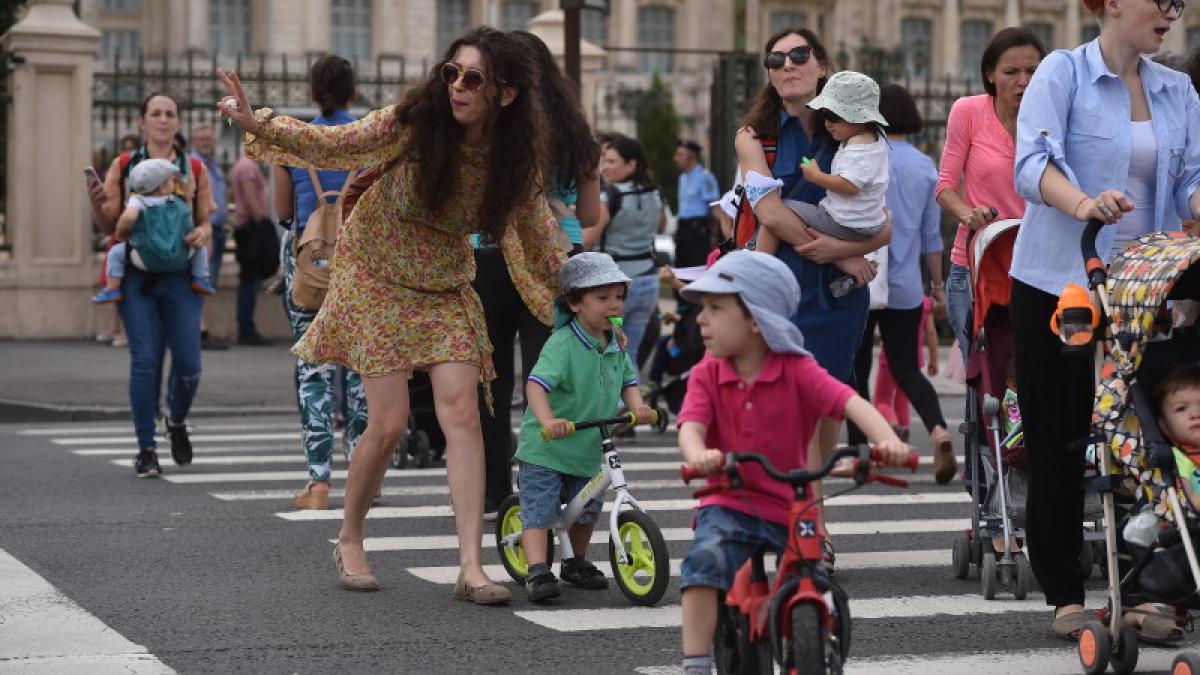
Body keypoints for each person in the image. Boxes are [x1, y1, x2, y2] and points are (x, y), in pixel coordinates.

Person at [217, 26, 564, 601]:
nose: (456, 86)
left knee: (463, 413)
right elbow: (337, 145)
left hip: (443, 281)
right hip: (375, 272)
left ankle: (471, 567)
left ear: (504, 94)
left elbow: (539, 236)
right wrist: (259, 124)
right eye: (451, 72)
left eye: (472, 78)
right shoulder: (413, 123)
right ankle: (350, 536)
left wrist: (584, 285)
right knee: (390, 423)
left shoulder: (512, 158)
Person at [1012, 0, 1200, 641]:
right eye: (1163, 0)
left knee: (1152, 436)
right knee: (1060, 436)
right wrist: (1085, 202)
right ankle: (1066, 590)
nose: (1173, 12)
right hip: (1058, 280)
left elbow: (1192, 182)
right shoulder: (1062, 73)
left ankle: (1152, 587)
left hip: (1145, 287)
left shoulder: (1177, 90)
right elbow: (1033, 165)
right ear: (1113, 3)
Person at [675, 250, 907, 675]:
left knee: (817, 575)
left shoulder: (798, 369)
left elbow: (850, 402)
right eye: (702, 309)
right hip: (729, 499)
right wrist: (700, 456)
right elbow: (690, 426)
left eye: (715, 308)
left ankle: (823, 634)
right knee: (704, 564)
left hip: (789, 502)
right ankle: (694, 663)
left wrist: (886, 441)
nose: (701, 320)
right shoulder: (708, 373)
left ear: (756, 319)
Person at [733, 26, 889, 568]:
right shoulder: (756, 135)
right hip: (779, 283)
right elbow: (770, 212)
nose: (786, 65)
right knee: (788, 412)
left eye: (799, 55)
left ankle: (810, 523)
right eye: (774, 59)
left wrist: (848, 253)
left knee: (824, 412)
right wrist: (838, 252)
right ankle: (798, 525)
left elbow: (886, 225)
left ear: (822, 63)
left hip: (837, 293)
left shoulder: (850, 131)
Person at [475, 30, 603, 520]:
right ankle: (550, 488)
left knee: (491, 380)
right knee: (550, 379)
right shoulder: (576, 135)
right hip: (559, 257)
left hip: (489, 254)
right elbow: (590, 214)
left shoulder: (491, 130)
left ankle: (493, 494)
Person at [86, 92, 216, 477]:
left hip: (179, 275)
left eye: (169, 113)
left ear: (178, 122)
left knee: (190, 364)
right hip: (138, 275)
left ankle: (175, 421)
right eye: (155, 113)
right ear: (142, 121)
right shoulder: (126, 165)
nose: (162, 119)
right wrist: (96, 202)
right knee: (145, 362)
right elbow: (110, 225)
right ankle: (146, 449)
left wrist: (202, 234)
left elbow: (206, 219)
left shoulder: (193, 167)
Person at [515, 252, 653, 603]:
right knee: (541, 508)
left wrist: (637, 407)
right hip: (548, 445)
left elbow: (628, 379)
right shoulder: (562, 343)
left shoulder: (615, 341)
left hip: (589, 442)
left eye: (619, 297)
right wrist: (547, 420)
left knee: (588, 507)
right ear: (575, 303)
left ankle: (575, 562)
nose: (613, 305)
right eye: (602, 298)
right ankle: (537, 569)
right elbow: (535, 385)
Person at [269, 55, 369, 510]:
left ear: (313, 94)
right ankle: (368, 480)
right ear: (353, 92)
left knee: (314, 371)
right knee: (363, 372)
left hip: (310, 263)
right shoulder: (367, 138)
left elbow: (284, 212)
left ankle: (319, 484)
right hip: (361, 263)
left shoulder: (294, 141)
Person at [844, 82, 955, 481]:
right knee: (908, 368)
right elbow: (932, 237)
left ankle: (860, 453)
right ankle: (939, 429)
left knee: (856, 368)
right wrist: (938, 287)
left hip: (862, 280)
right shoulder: (925, 166)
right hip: (907, 285)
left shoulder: (862, 158)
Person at [936, 27, 1046, 365]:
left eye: (1033, 71)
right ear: (990, 75)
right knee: (984, 371)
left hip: (1036, 265)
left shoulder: (1053, 121)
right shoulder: (969, 111)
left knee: (1033, 368)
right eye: (1011, 72)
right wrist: (968, 213)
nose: (1024, 81)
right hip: (976, 265)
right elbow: (944, 187)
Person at [750, 70, 890, 254]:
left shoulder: (859, 146)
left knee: (779, 211)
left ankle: (758, 266)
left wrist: (815, 176)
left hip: (846, 223)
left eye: (833, 116)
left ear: (859, 117)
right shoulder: (873, 138)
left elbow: (850, 186)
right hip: (866, 222)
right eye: (824, 115)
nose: (827, 123)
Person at [90, 159, 215, 304]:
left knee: (115, 252)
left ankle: (112, 288)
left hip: (145, 258)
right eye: (170, 181)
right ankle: (201, 279)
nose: (173, 184)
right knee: (200, 249)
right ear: (162, 187)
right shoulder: (175, 201)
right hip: (179, 257)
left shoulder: (138, 200)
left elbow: (129, 217)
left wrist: (121, 232)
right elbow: (189, 226)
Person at [586, 134, 665, 362]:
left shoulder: (611, 195)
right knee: (629, 355)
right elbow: (661, 225)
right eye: (605, 161)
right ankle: (634, 397)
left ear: (631, 164)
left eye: (611, 162)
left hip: (616, 288)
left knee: (608, 355)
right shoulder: (655, 191)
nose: (605, 168)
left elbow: (589, 238)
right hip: (649, 282)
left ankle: (614, 399)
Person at [95, 134, 140, 349]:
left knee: (124, 285)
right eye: (124, 148)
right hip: (118, 233)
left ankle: (123, 331)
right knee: (111, 283)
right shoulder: (118, 172)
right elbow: (110, 210)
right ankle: (113, 329)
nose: (126, 152)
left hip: (133, 233)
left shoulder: (139, 173)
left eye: (130, 148)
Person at [872, 296, 938, 442]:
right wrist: (933, 359)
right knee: (903, 400)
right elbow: (931, 332)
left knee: (881, 401)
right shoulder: (925, 303)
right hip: (913, 359)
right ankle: (903, 432)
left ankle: (896, 428)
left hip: (890, 357)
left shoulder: (890, 298)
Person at [191, 123, 231, 351]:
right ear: (195, 141)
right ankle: (198, 331)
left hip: (216, 231)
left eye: (209, 139)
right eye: (202, 139)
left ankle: (201, 329)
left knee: (207, 283)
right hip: (203, 231)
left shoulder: (213, 165)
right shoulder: (193, 165)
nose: (206, 142)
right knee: (201, 281)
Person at [229, 155, 273, 346]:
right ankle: (246, 329)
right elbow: (249, 197)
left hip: (249, 226)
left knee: (250, 279)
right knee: (249, 280)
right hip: (251, 227)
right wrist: (260, 222)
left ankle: (246, 327)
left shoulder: (245, 165)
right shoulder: (247, 166)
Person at [673, 139, 720, 267]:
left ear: (691, 156)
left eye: (680, 155)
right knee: (680, 268)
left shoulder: (705, 177)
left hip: (698, 229)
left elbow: (714, 207)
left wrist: (714, 235)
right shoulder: (682, 178)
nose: (675, 158)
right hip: (683, 228)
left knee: (696, 267)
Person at [1158, 363, 1200, 508]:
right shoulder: (1179, 457)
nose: (1196, 414)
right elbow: (1191, 500)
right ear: (1166, 427)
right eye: (1181, 408)